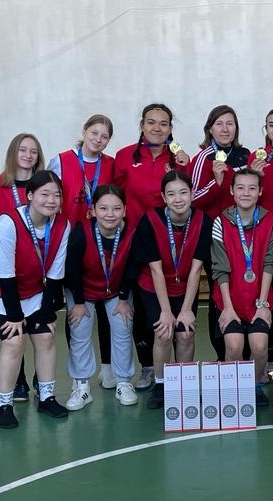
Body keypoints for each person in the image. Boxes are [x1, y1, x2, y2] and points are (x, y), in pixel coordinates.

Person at [0, 171, 70, 429]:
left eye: (56, 195)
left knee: (46, 336)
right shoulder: (7, 223)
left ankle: (47, 397)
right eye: (44, 194)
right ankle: (4, 405)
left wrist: (46, 312)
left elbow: (55, 273)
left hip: (34, 289)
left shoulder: (62, 225)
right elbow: (5, 276)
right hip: (0, 291)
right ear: (29, 195)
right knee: (14, 341)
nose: (51, 200)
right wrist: (16, 317)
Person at [112, 103, 192, 390]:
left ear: (170, 128)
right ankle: (148, 367)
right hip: (137, 243)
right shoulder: (124, 157)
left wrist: (184, 165)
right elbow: (114, 195)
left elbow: (186, 197)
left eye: (163, 123)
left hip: (172, 243)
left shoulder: (180, 159)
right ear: (142, 125)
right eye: (151, 122)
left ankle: (179, 374)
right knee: (143, 310)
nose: (157, 128)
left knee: (171, 308)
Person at [48, 114, 118, 389]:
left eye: (104, 136)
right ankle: (80, 376)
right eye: (94, 133)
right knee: (77, 310)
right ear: (85, 131)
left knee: (105, 309)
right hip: (72, 244)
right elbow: (51, 199)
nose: (98, 140)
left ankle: (108, 368)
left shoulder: (110, 164)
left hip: (103, 244)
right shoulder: (61, 161)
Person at [133, 171, 210, 408]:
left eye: (183, 193)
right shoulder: (150, 220)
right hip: (154, 286)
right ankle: (161, 385)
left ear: (192, 194)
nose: (178, 199)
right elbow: (155, 270)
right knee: (164, 332)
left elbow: (196, 269)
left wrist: (186, 310)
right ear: (163, 197)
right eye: (171, 194)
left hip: (185, 285)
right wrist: (166, 312)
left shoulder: (203, 221)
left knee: (185, 333)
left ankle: (183, 384)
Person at [63, 184, 137, 410]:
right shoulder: (81, 232)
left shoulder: (131, 233)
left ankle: (123, 382)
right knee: (79, 329)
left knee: (123, 325)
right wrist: (78, 303)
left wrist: (123, 299)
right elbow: (71, 270)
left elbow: (132, 269)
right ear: (93, 210)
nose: (110, 214)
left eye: (116, 208)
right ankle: (82, 386)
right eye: (103, 208)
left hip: (116, 290)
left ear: (124, 210)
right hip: (82, 290)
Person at [211, 168, 273, 392]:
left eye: (252, 188)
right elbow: (220, 269)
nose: (246, 193)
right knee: (234, 346)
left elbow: (269, 263)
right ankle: (234, 391)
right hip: (230, 298)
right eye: (240, 188)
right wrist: (227, 308)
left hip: (259, 298)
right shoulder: (220, 222)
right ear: (232, 191)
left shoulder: (271, 221)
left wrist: (262, 304)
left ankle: (253, 384)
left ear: (260, 191)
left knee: (259, 348)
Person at [0, 132, 45, 402]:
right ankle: (19, 381)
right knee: (15, 328)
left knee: (42, 329)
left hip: (37, 264)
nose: (28, 155)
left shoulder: (45, 183)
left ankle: (42, 377)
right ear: (13, 153)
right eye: (23, 150)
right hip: (8, 264)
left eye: (33, 151)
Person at [189, 104, 251, 220]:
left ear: (236, 128)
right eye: (219, 124)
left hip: (244, 223)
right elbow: (192, 199)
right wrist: (216, 183)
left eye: (230, 124)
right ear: (210, 129)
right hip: (215, 225)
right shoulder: (204, 158)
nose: (225, 129)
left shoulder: (245, 154)